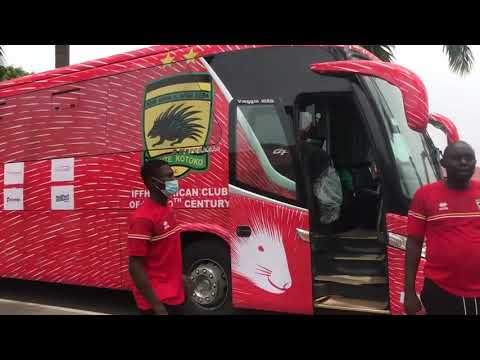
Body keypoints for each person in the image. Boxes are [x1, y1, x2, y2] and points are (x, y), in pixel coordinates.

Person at [404, 141, 480, 315]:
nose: (463, 162)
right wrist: (409, 292)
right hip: (441, 289)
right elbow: (414, 244)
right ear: (443, 163)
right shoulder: (425, 195)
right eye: (457, 158)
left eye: (469, 158)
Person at [128, 159, 186, 315]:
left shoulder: (167, 207)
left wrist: (180, 278)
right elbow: (135, 266)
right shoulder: (143, 218)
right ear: (154, 183)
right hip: (159, 302)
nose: (174, 181)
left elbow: (165, 253)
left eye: (173, 176)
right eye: (169, 177)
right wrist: (157, 306)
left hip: (175, 295)